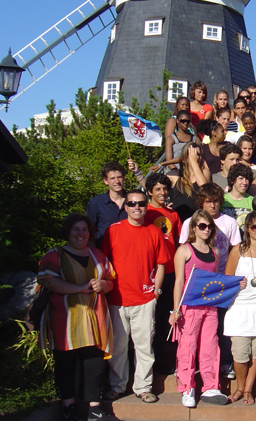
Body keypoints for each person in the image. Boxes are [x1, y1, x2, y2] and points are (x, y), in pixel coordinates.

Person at [37, 214, 116, 421]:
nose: (81, 234)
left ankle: (95, 408)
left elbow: (111, 280)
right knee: (65, 364)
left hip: (94, 319)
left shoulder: (98, 255)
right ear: (68, 232)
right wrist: (80, 288)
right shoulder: (55, 256)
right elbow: (50, 282)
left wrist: (104, 285)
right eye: (76, 229)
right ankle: (68, 407)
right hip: (65, 320)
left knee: (94, 364)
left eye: (84, 230)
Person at [102, 190, 170, 404]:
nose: (136, 207)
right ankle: (117, 386)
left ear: (146, 205)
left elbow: (161, 264)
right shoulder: (112, 231)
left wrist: (156, 292)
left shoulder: (154, 232)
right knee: (119, 346)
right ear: (126, 207)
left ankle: (143, 387)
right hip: (117, 298)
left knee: (143, 346)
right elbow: (104, 263)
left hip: (145, 298)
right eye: (132, 203)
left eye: (141, 203)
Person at [169, 210, 229, 407]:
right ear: (194, 227)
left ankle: (211, 385)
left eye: (209, 226)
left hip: (210, 307)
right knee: (188, 346)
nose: (206, 229)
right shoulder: (184, 250)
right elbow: (178, 281)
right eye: (202, 226)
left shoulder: (216, 252)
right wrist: (175, 309)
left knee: (211, 345)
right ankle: (187, 387)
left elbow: (215, 281)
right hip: (189, 306)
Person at [223, 212, 256, 405]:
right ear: (247, 229)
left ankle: (247, 390)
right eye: (255, 227)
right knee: (240, 354)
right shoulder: (238, 250)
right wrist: (237, 284)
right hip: (239, 307)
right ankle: (239, 387)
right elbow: (227, 280)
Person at [144, 173, 182, 374]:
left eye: (165, 189)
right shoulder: (144, 212)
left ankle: (159, 360)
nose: (162, 193)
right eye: (157, 189)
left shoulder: (173, 215)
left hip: (170, 272)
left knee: (163, 320)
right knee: (148, 321)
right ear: (149, 191)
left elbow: (178, 241)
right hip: (149, 274)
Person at [86, 161, 129, 245]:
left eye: (119, 177)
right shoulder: (96, 202)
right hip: (103, 253)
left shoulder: (132, 202)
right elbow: (90, 230)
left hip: (128, 251)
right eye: (112, 178)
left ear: (124, 178)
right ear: (105, 181)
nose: (117, 181)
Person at [167, 143, 210, 222]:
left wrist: (194, 162)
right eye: (192, 154)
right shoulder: (177, 175)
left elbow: (204, 187)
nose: (196, 157)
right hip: (179, 220)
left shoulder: (204, 172)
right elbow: (153, 188)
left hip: (197, 220)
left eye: (198, 154)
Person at [222, 163, 255, 227]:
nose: (245, 182)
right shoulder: (222, 200)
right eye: (241, 178)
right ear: (232, 180)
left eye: (247, 179)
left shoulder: (252, 201)